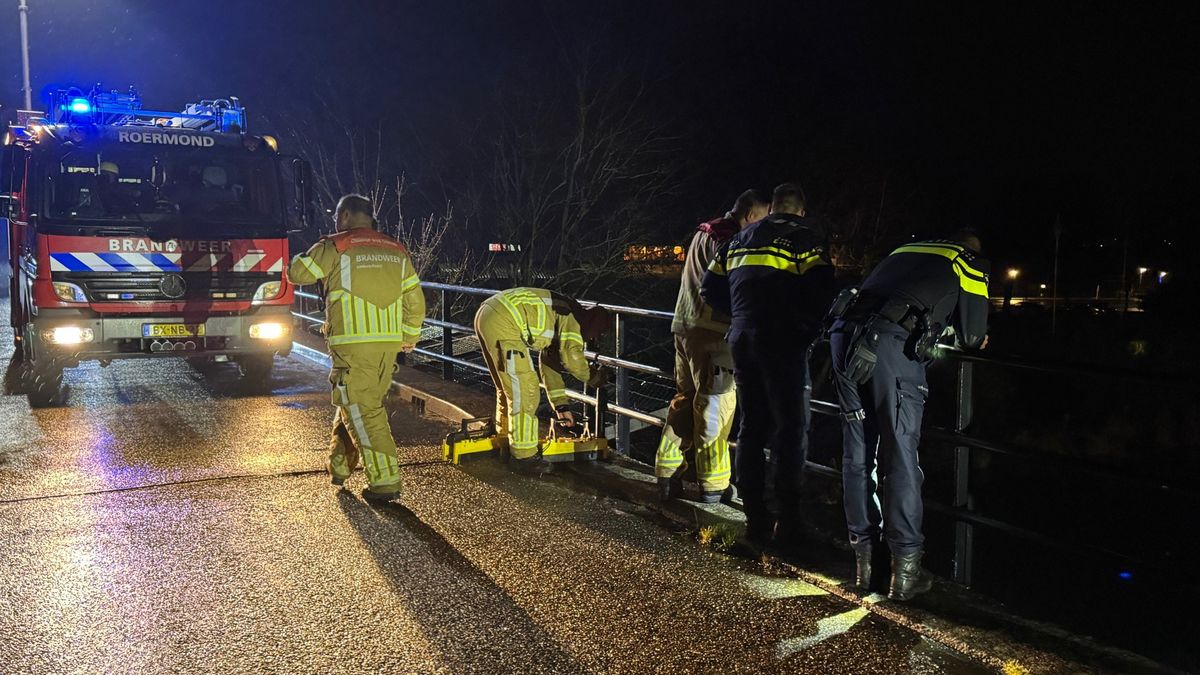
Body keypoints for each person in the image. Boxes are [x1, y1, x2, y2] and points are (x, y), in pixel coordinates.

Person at [829, 230, 989, 600]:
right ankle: (905, 572)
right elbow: (973, 335)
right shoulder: (968, 263)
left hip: (845, 337)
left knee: (857, 452)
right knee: (900, 455)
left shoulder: (901, 249)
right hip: (889, 347)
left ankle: (866, 564)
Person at [701, 183, 836, 548]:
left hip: (743, 339)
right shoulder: (804, 240)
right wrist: (804, 326)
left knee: (752, 427)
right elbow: (824, 290)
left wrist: (743, 314)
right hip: (783, 342)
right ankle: (788, 522)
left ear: (774, 207)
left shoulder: (738, 240)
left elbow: (708, 289)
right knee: (791, 431)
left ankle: (755, 519)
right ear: (800, 211)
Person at [286, 194, 426, 503]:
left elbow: (298, 274)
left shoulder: (335, 245)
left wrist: (300, 254)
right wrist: (409, 336)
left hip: (352, 345)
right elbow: (415, 300)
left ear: (346, 215)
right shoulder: (396, 249)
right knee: (355, 403)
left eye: (337, 217)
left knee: (363, 411)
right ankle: (339, 464)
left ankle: (385, 481)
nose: (336, 221)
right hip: (387, 347)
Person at [655, 189, 769, 503]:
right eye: (763, 219)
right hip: (714, 336)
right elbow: (736, 290)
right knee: (715, 408)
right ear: (749, 215)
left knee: (685, 400)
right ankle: (714, 485)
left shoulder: (704, 233)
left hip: (684, 327)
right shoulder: (730, 241)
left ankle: (667, 471)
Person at [474, 287, 610, 474]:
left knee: (508, 389)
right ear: (594, 328)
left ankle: (505, 439)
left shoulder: (563, 314)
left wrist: (561, 406)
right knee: (526, 391)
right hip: (505, 321)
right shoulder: (574, 321)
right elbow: (572, 360)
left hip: (489, 313)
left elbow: (550, 366)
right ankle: (523, 457)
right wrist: (596, 377)